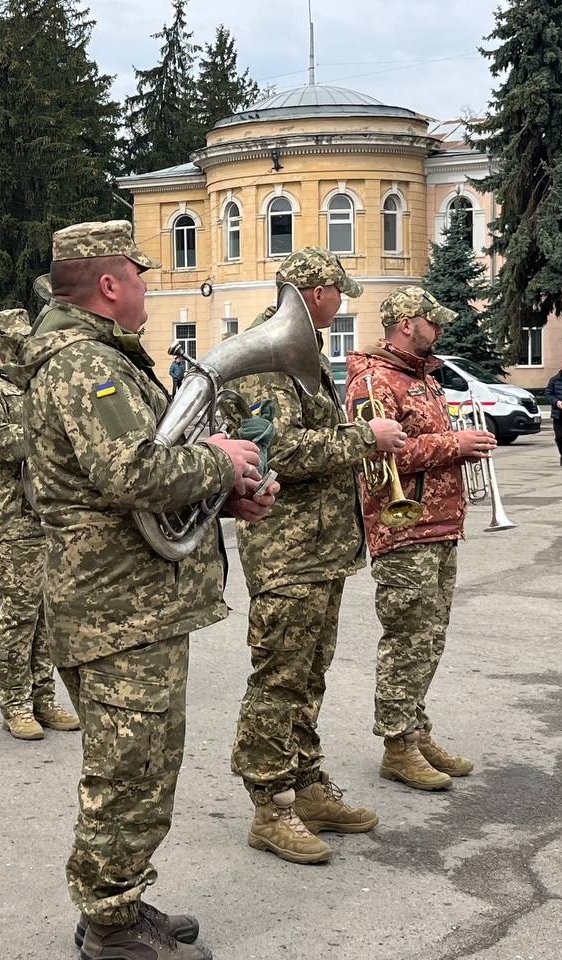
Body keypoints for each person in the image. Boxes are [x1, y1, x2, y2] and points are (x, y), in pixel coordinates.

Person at [14, 220, 275, 960]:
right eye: (139, 273)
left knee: (149, 762)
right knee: (127, 770)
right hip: (113, 608)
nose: (146, 286)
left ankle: (121, 897)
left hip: (137, 604)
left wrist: (227, 494)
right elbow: (132, 473)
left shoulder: (104, 359)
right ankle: (109, 926)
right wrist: (220, 461)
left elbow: (143, 481)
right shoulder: (79, 365)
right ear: (109, 283)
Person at [227, 248, 407, 864]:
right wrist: (365, 436)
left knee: (309, 675)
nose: (343, 301)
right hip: (286, 551)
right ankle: (269, 806)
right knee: (279, 679)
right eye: (337, 290)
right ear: (312, 288)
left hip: (320, 549)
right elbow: (275, 452)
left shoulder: (299, 354)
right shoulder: (263, 355)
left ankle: (305, 786)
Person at [344, 286, 495, 792]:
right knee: (407, 640)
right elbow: (376, 455)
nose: (442, 328)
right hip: (405, 529)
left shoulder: (421, 377)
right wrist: (457, 443)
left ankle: (415, 728)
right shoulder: (373, 379)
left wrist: (458, 449)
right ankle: (395, 744)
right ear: (407, 322)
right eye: (434, 320)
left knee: (429, 639)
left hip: (440, 526)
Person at [0, 307, 80, 740]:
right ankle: (15, 702)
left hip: (47, 512)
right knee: (19, 615)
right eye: (13, 340)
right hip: (12, 520)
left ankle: (44, 698)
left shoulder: (35, 385)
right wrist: (49, 434)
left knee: (48, 616)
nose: (21, 346)